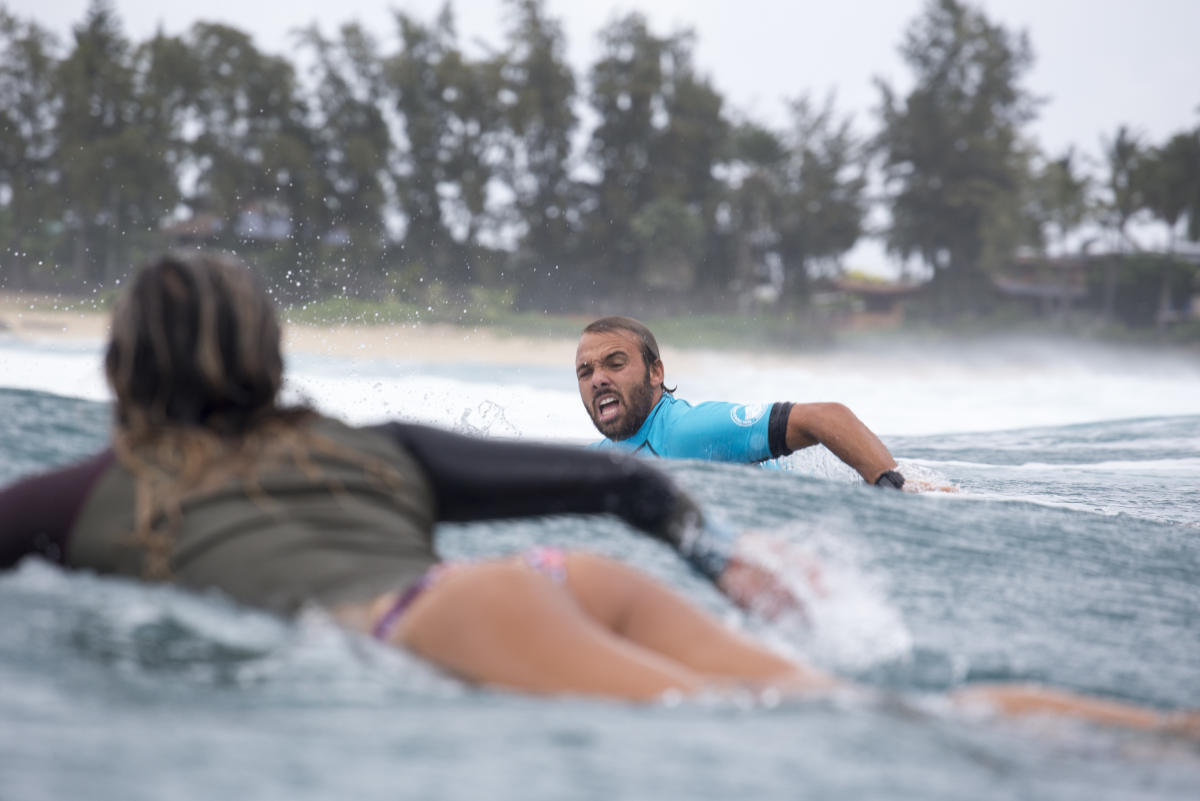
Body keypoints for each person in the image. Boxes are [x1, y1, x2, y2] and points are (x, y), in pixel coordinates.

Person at [0, 252, 1193, 735]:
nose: (596, 383)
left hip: (451, 619)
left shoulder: (91, 494)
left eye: (609, 364)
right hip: (575, 580)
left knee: (871, 731)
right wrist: (717, 555)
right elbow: (612, 490)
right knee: (890, 708)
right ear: (265, 360)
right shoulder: (372, 443)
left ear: (122, 370)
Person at [575, 316, 907, 488]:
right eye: (585, 372)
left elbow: (826, 417)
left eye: (615, 363)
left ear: (655, 373)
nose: (598, 379)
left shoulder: (686, 433)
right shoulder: (596, 457)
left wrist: (894, 487)